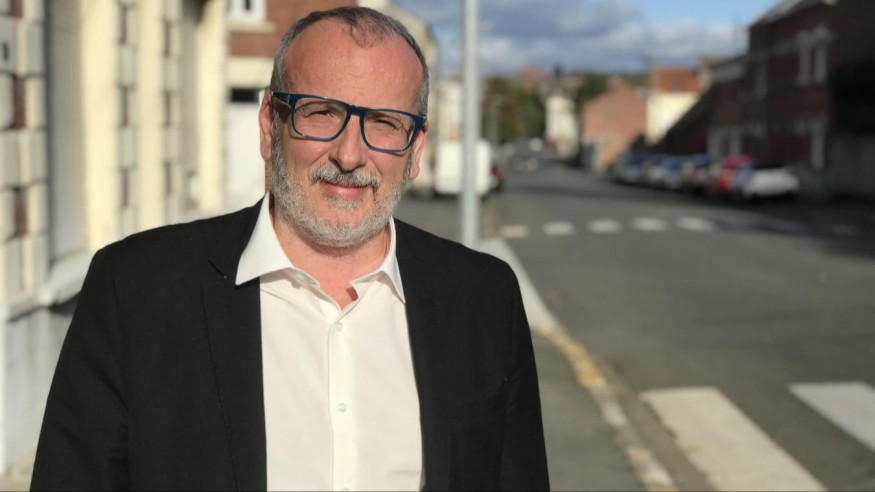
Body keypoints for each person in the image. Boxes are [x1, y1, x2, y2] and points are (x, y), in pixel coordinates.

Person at [31, 7, 548, 491]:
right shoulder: (136, 290)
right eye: (321, 113)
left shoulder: (484, 299)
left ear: (415, 148)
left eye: (384, 123)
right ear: (268, 126)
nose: (350, 155)